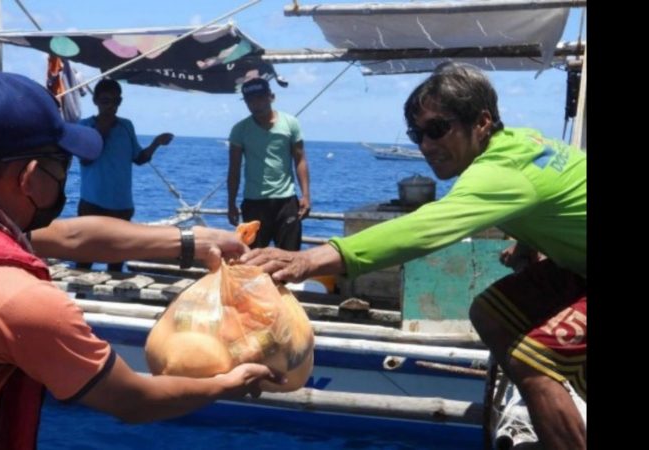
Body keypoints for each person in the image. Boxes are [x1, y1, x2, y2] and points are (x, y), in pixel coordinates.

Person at [0, 71, 279, 450]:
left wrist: (194, 241)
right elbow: (133, 400)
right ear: (31, 176)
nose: (65, 179)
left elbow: (72, 236)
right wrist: (225, 383)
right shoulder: (21, 303)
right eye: (62, 165)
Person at [240, 62, 586, 450]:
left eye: (438, 129)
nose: (426, 145)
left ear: (483, 121)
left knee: (532, 360)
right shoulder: (521, 144)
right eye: (416, 134)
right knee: (490, 312)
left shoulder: (499, 174)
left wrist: (309, 259)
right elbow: (543, 195)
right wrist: (527, 244)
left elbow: (425, 228)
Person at [77, 78, 175, 272]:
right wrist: (103, 129)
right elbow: (86, 159)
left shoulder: (126, 126)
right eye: (106, 101)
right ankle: (78, 301)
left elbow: (139, 158)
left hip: (122, 206)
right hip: (92, 204)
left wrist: (156, 143)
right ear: (95, 101)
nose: (111, 106)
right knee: (84, 261)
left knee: (116, 264)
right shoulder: (84, 126)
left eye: (116, 101)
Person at [227, 77, 311, 250]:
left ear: (271, 97)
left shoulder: (290, 124)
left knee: (289, 256)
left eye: (260, 98)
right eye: (250, 100)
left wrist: (306, 195)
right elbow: (234, 170)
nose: (255, 104)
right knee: (253, 257)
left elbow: (300, 159)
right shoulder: (239, 130)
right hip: (253, 203)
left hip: (286, 201)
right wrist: (231, 203)